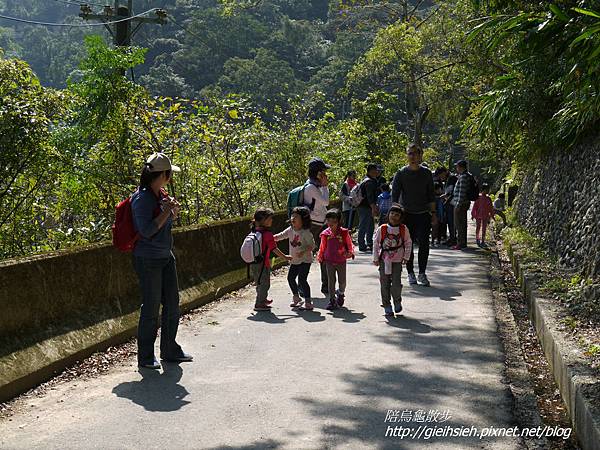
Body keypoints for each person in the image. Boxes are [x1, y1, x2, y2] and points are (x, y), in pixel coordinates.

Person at [131, 152, 192, 370]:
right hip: (148, 259)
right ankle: (146, 357)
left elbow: (162, 225)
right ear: (163, 174)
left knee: (172, 304)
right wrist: (166, 212)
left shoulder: (160, 195)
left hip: (165, 256)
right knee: (151, 307)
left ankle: (169, 350)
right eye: (169, 174)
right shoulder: (142, 198)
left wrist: (170, 212)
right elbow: (146, 231)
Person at [391, 143, 437, 287]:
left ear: (420, 155)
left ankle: (422, 273)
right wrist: (394, 215)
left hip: (423, 213)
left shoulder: (426, 173)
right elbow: (395, 195)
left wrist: (434, 214)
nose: (412, 156)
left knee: (424, 244)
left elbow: (431, 195)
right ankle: (410, 273)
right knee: (407, 245)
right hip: (407, 214)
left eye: (415, 153)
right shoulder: (401, 173)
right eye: (410, 153)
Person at [373, 204, 412, 317]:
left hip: (397, 260)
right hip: (384, 260)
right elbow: (376, 244)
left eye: (397, 215)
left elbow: (408, 243)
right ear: (388, 214)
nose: (394, 217)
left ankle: (397, 301)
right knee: (384, 283)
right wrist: (375, 258)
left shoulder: (403, 229)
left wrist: (406, 256)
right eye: (392, 214)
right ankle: (387, 305)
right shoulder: (383, 229)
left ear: (401, 217)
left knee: (396, 283)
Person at [249, 207, 292, 311]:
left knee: (259, 282)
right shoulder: (267, 234)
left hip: (253, 262)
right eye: (270, 218)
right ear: (263, 221)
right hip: (262, 263)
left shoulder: (254, 231)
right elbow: (274, 249)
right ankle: (259, 304)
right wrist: (285, 257)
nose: (272, 220)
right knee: (265, 283)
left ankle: (262, 299)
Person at [274, 206, 315, 310]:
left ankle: (308, 300)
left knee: (302, 279)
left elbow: (312, 245)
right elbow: (281, 236)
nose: (293, 218)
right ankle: (296, 297)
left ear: (303, 219)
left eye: (296, 216)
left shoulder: (305, 232)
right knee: (290, 278)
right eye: (292, 215)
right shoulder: (290, 230)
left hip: (305, 260)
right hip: (294, 260)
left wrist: (304, 251)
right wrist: (272, 238)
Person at [303, 157, 331, 294]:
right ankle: (301, 284)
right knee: (307, 256)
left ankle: (326, 285)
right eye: (323, 172)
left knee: (324, 255)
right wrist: (325, 186)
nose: (325, 175)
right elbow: (325, 202)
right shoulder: (311, 187)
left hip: (321, 224)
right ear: (318, 173)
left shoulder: (316, 186)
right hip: (313, 226)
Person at [317, 209, 355, 310]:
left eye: (333, 220)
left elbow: (349, 244)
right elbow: (322, 246)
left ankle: (341, 293)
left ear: (338, 221)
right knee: (331, 281)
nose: (331, 223)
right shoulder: (325, 234)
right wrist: (320, 256)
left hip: (341, 260)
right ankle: (332, 300)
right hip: (329, 260)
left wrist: (350, 252)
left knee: (342, 281)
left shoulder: (344, 232)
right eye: (328, 220)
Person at [357, 164, 381, 252]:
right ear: (371, 171)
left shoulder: (367, 180)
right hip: (365, 206)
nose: (377, 172)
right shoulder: (369, 182)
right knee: (363, 225)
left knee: (370, 225)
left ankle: (369, 243)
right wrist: (373, 207)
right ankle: (362, 245)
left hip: (366, 206)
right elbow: (370, 196)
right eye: (376, 170)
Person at [451, 160, 471, 250]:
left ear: (460, 167)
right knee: (462, 223)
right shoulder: (467, 176)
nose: (456, 168)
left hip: (461, 203)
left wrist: (458, 204)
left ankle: (460, 243)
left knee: (459, 223)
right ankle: (463, 242)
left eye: (457, 166)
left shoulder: (463, 177)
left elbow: (461, 192)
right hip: (464, 203)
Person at [471, 183, 494, 248]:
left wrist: (492, 215)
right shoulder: (478, 198)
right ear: (483, 190)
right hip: (478, 215)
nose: (487, 191)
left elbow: (491, 208)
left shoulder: (488, 199)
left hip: (486, 216)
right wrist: (473, 214)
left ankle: (483, 240)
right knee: (478, 227)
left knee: (484, 228)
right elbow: (474, 207)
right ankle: (477, 238)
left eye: (488, 190)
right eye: (486, 190)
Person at [431, 181, 446, 247]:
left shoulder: (438, 198)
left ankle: (436, 240)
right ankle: (434, 240)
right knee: (435, 228)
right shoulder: (436, 198)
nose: (440, 190)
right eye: (439, 189)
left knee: (438, 228)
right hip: (436, 215)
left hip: (439, 215)